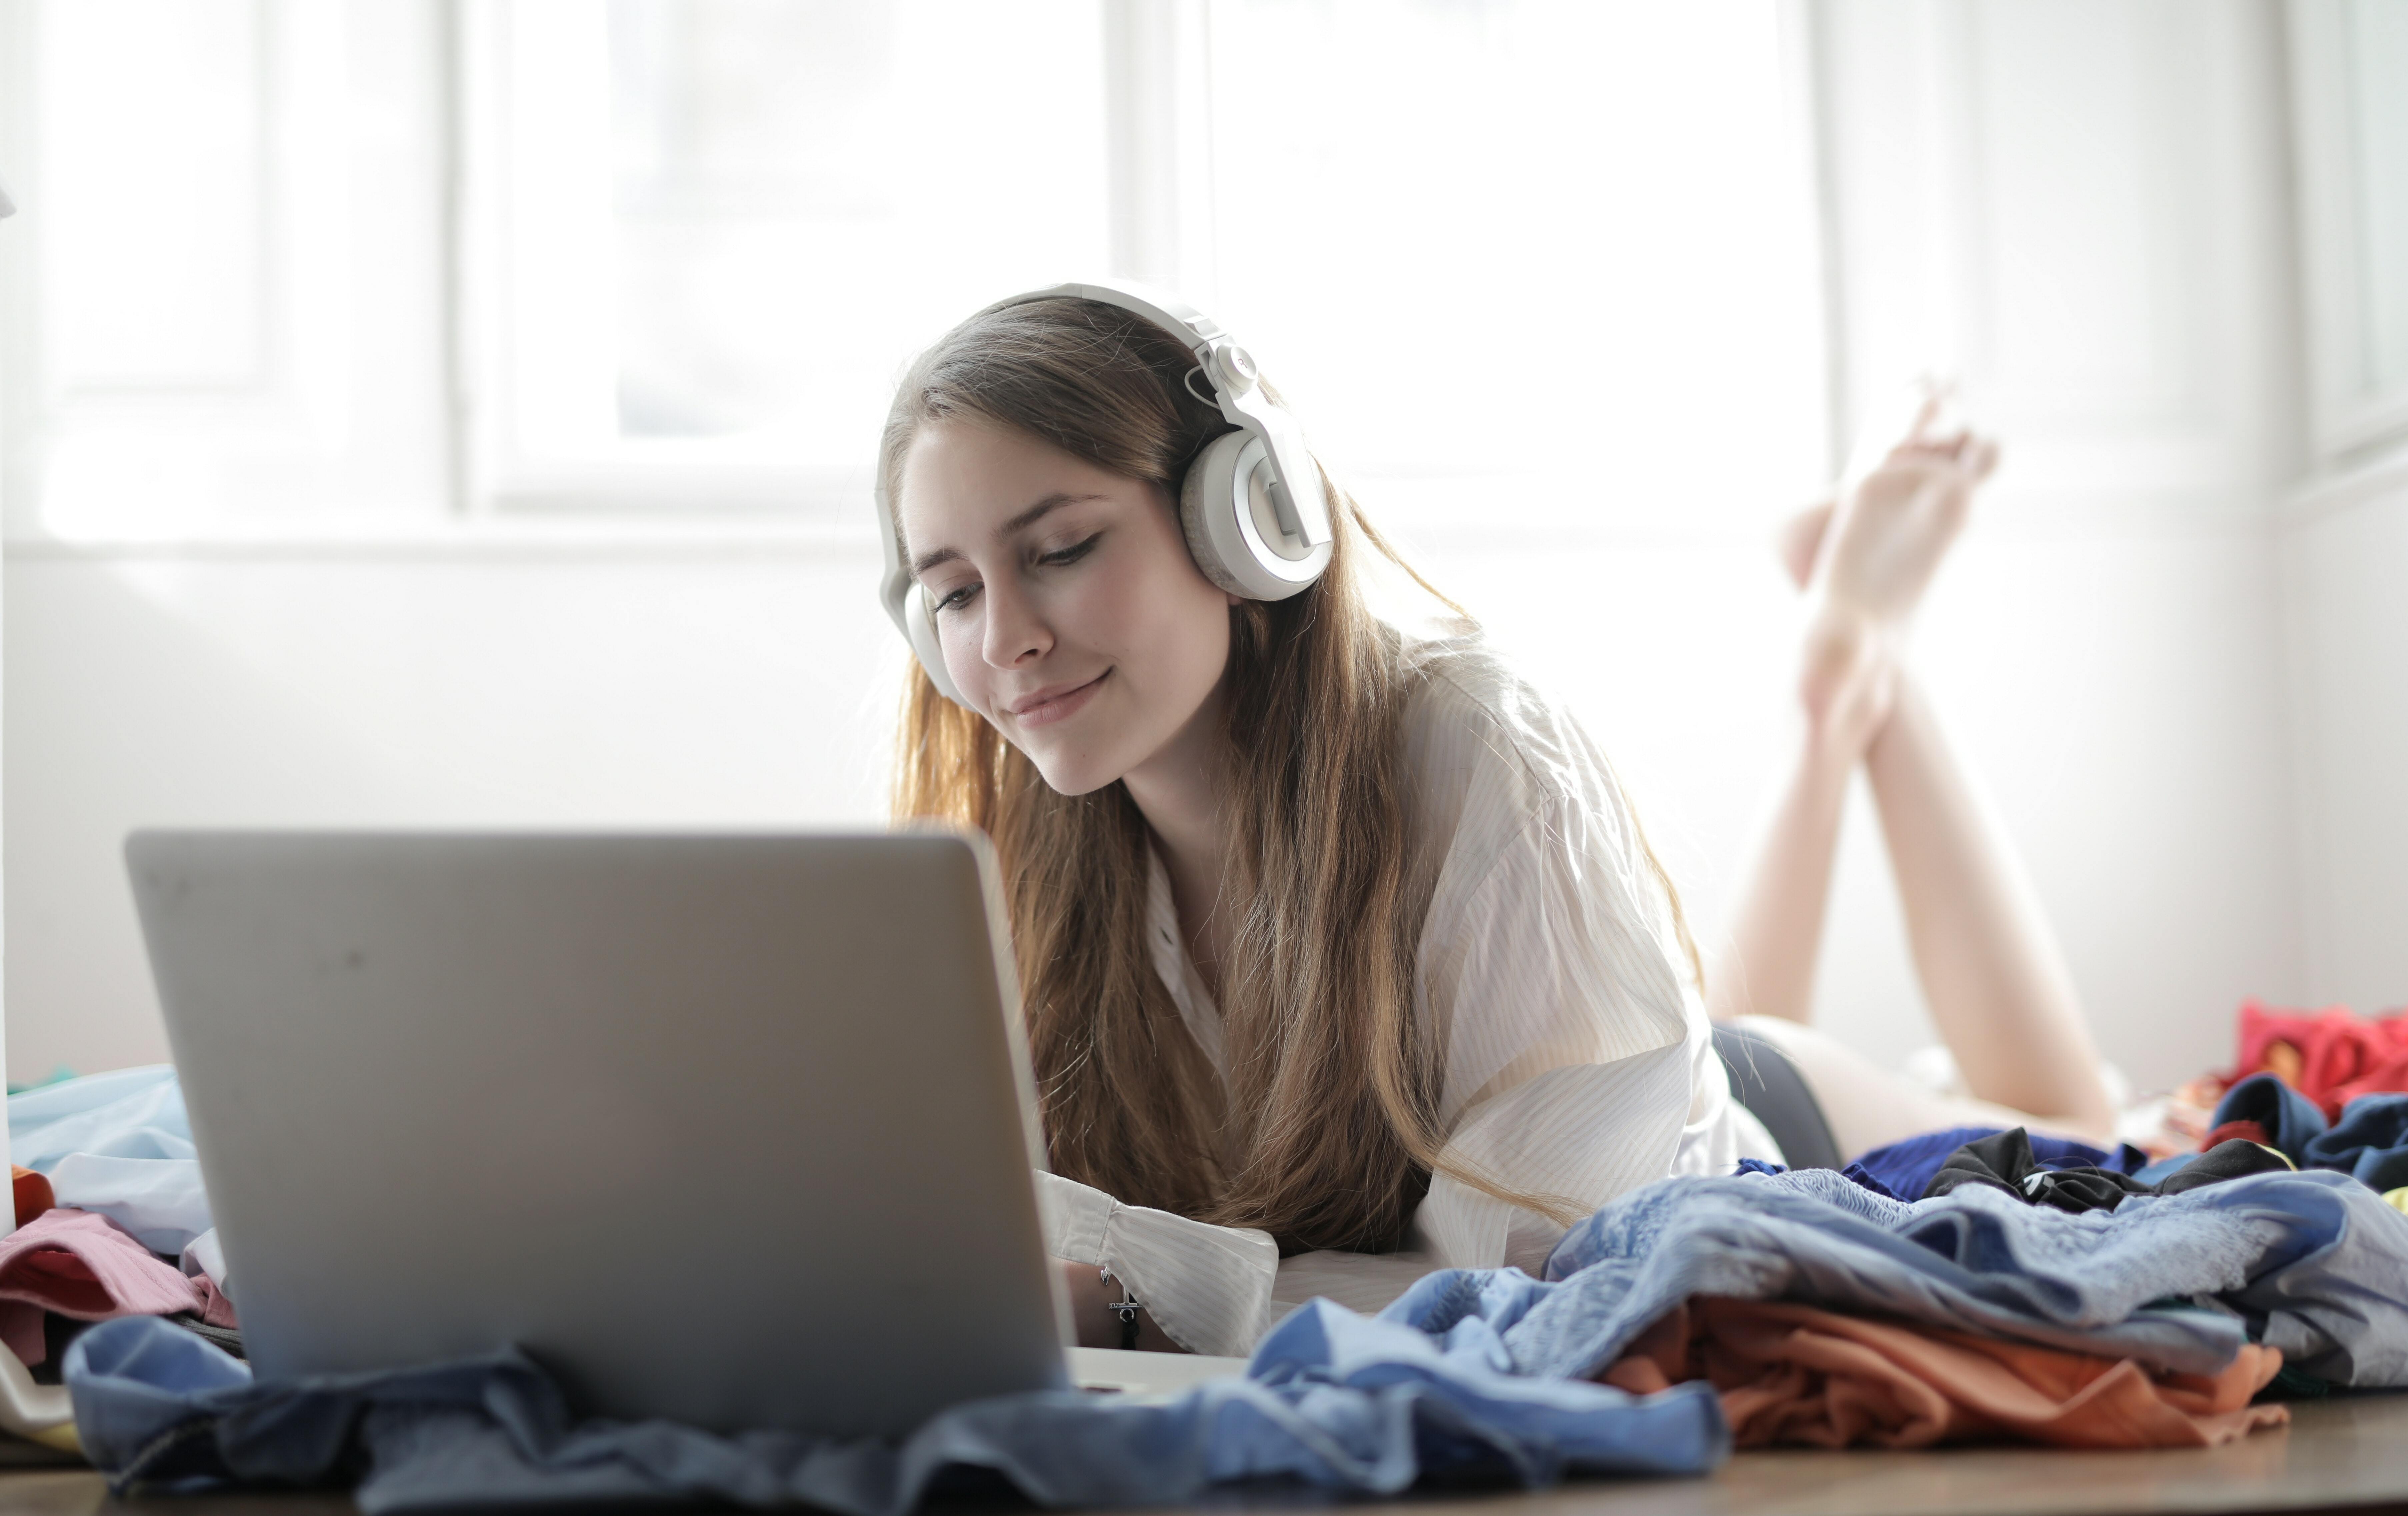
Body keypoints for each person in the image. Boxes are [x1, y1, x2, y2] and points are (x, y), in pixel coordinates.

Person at [875, 291, 2117, 1357]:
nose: (1004, 643)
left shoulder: (1476, 750)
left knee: (2083, 1130)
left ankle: (1844, 670)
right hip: (1613, 1074)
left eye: (1063, 549)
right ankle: (1838, 677)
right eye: (954, 593)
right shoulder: (1015, 838)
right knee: (1714, 1016)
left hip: (1724, 1156)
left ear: (1247, 517)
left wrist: (1136, 1306)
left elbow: (1550, 1283)